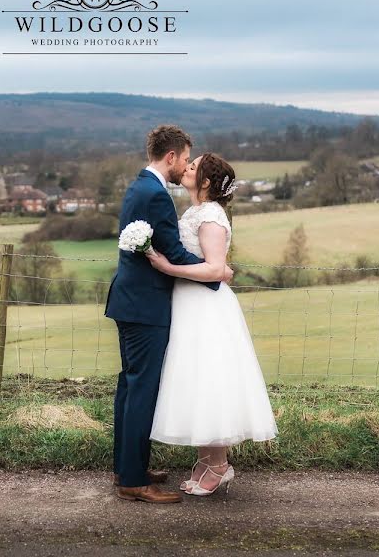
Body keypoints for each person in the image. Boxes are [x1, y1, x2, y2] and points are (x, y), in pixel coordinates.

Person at [104, 125, 233, 504]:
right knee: (141, 388)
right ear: (172, 157)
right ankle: (133, 480)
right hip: (146, 305)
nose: (186, 167)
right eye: (185, 158)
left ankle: (128, 467)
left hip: (129, 299)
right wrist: (218, 273)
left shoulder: (139, 186)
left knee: (130, 385)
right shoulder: (156, 194)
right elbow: (173, 254)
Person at [147, 152, 279, 496]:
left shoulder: (211, 215)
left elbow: (214, 269)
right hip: (190, 304)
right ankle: (208, 461)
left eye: (193, 167)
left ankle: (218, 465)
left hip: (205, 307)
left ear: (205, 182)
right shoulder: (195, 211)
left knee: (209, 378)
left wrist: (167, 268)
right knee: (197, 380)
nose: (186, 169)